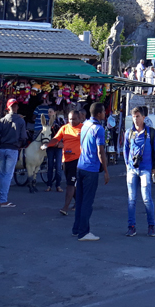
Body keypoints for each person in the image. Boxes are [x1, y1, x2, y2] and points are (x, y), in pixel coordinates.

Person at [73, 103, 110, 241]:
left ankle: (77, 228)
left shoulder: (86, 125)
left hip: (81, 166)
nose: (105, 115)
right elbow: (101, 151)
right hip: (91, 169)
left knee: (81, 200)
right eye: (103, 112)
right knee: (88, 202)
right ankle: (84, 232)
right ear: (99, 114)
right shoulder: (99, 129)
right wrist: (106, 170)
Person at [123, 106, 155, 237]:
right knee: (131, 199)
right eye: (134, 116)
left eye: (138, 116)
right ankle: (131, 226)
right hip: (132, 170)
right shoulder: (128, 133)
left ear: (144, 117)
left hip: (145, 169)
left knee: (146, 198)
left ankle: (151, 225)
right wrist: (128, 166)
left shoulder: (151, 132)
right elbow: (125, 150)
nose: (135, 119)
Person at [46, 110, 83, 216]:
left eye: (74, 119)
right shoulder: (64, 128)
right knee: (70, 182)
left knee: (70, 184)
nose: (71, 121)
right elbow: (56, 138)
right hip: (66, 160)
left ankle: (65, 207)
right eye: (70, 119)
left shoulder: (83, 128)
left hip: (77, 160)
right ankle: (79, 201)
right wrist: (47, 144)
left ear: (79, 118)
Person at [0, 99, 25, 208]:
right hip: (13, 149)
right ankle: (3, 200)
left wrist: (2, 140)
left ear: (7, 108)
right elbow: (23, 137)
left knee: (2, 173)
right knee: (7, 175)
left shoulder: (2, 120)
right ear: (15, 107)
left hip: (3, 148)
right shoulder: (20, 121)